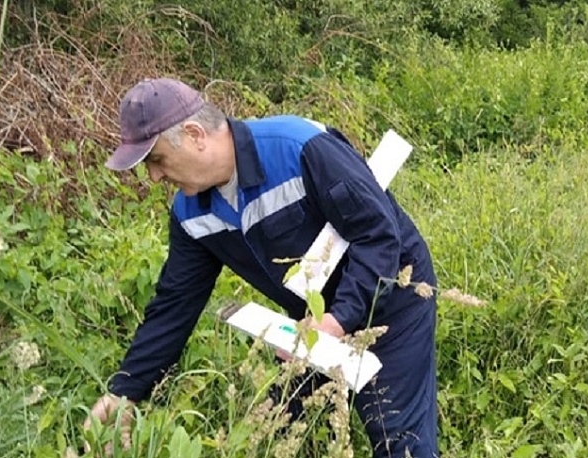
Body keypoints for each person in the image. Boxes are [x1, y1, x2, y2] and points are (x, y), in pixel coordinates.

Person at [84, 77, 440, 458]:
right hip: (309, 325)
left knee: (397, 439)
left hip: (392, 298)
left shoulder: (298, 147)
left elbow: (379, 236)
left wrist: (337, 321)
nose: (154, 176)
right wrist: (123, 393)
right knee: (274, 435)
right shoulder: (191, 213)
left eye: (156, 160)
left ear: (194, 134)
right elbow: (174, 306)